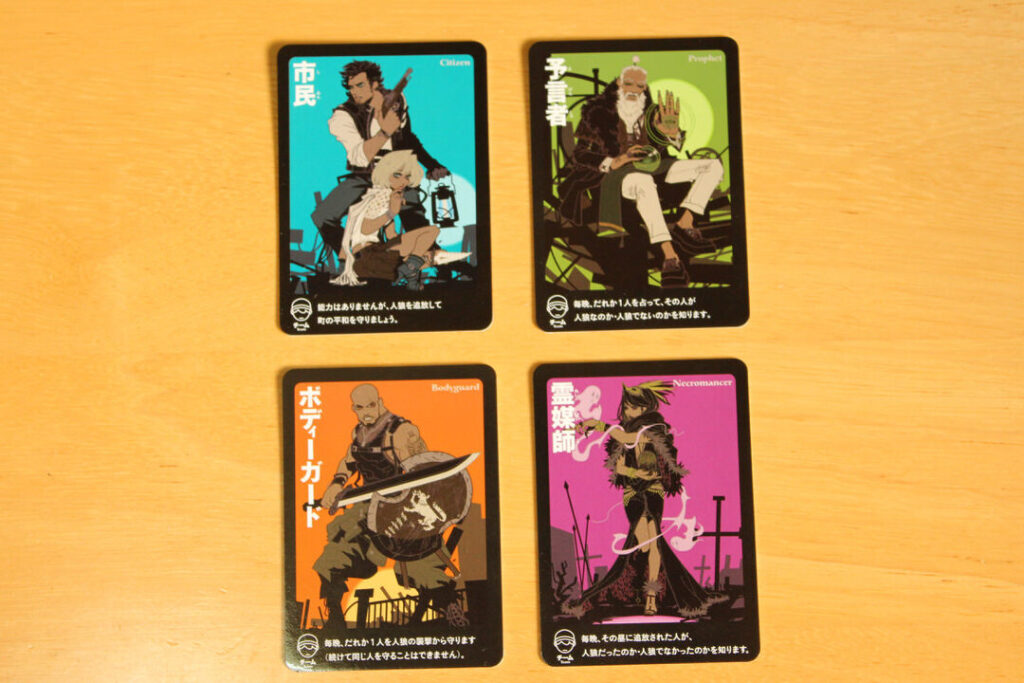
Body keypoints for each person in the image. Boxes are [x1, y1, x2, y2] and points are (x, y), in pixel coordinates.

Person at [558, 57, 724, 274]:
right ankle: (669, 254)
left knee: (712, 166)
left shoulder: (652, 113)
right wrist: (615, 161)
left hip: (654, 166)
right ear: (619, 83)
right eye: (628, 84)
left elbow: (665, 146)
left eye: (639, 86)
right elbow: (580, 154)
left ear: (644, 88)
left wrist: (672, 134)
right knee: (643, 182)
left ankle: (685, 222)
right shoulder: (596, 113)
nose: (633, 90)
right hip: (616, 175)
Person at [314, 384, 459, 629]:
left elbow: (422, 469)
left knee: (420, 568)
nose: (367, 412)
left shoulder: (401, 431)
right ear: (354, 409)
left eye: (371, 405)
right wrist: (336, 484)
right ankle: (335, 619)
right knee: (332, 558)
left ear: (380, 402)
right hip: (367, 507)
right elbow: (349, 461)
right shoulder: (358, 433)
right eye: (360, 407)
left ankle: (452, 611)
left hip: (402, 508)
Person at [574, 381, 724, 617]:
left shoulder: (655, 428)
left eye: (631, 407)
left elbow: (632, 443)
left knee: (653, 543)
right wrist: (630, 472)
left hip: (653, 491)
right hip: (631, 494)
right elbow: (621, 465)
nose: (626, 411)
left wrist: (597, 424)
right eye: (625, 407)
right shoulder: (622, 434)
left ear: (644, 408)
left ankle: (651, 597)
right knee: (643, 543)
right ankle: (648, 588)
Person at [311, 60, 449, 262]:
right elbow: (359, 156)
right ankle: (358, 261)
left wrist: (432, 165)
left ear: (375, 84)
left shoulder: (396, 100)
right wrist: (384, 132)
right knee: (322, 216)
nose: (354, 91)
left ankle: (442, 268)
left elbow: (408, 138)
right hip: (365, 176)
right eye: (351, 87)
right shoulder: (343, 114)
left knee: (415, 220)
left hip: (399, 174)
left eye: (360, 85)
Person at [330, 150, 447, 290]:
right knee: (432, 233)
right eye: (397, 175)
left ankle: (408, 270)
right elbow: (366, 228)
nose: (403, 181)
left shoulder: (388, 196)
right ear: (385, 172)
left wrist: (410, 246)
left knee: (429, 251)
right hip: (367, 255)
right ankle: (409, 272)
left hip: (376, 254)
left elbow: (391, 235)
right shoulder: (379, 196)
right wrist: (392, 213)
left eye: (407, 176)